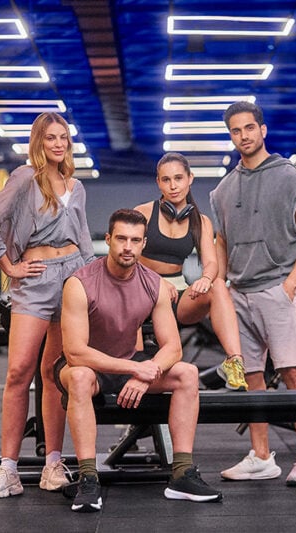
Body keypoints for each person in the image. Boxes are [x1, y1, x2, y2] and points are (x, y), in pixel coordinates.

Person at [56, 208, 222, 512]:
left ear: (144, 244)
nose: (127, 247)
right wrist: (136, 368)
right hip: (86, 367)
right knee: (79, 377)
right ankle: (88, 478)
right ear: (108, 240)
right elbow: (75, 352)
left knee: (186, 373)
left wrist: (147, 371)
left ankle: (182, 473)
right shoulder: (80, 284)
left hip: (128, 360)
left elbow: (173, 347)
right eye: (121, 239)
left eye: (135, 240)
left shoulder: (154, 284)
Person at [0, 112, 95, 498]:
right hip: (36, 278)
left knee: (53, 374)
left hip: (73, 277)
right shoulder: (25, 178)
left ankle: (53, 464)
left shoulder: (76, 185)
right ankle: (8, 469)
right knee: (18, 372)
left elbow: (86, 242)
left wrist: (92, 285)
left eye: (63, 138)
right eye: (50, 138)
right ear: (38, 143)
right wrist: (9, 265)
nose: (58, 144)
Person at [209, 101, 296, 486]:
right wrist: (221, 287)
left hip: (276, 288)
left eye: (248, 128)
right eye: (235, 130)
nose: (242, 136)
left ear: (263, 130)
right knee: (250, 378)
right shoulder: (223, 189)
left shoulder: (291, 178)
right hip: (238, 292)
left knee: (294, 374)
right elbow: (221, 241)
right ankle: (261, 456)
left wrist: (290, 284)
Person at [135, 152, 248, 391]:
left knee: (217, 285)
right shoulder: (143, 214)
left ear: (190, 178)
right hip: (143, 292)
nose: (173, 185)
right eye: (166, 180)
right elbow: (127, 259)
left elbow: (211, 263)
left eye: (178, 178)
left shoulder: (200, 221)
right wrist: (154, 281)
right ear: (158, 182)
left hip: (178, 297)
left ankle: (234, 361)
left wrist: (206, 279)